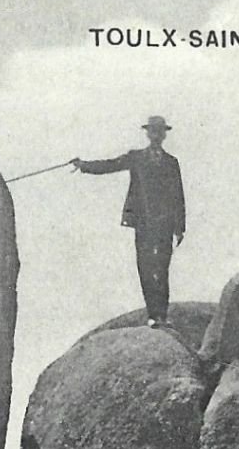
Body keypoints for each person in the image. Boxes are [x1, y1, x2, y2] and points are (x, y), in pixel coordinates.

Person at [72, 115, 186, 327]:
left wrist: (180, 228)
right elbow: (110, 165)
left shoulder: (172, 163)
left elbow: (178, 195)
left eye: (160, 132)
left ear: (164, 135)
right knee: (145, 266)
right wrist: (84, 165)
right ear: (148, 133)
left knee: (162, 268)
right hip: (143, 222)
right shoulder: (136, 157)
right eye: (153, 131)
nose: (156, 135)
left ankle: (162, 314)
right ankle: (153, 315)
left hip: (164, 224)